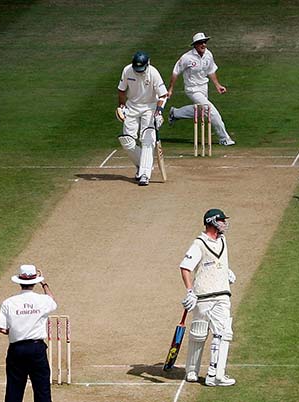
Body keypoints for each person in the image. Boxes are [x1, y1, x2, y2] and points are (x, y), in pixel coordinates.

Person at [179, 208, 237, 386]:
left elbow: (217, 261)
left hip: (222, 294)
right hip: (203, 296)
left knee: (223, 333)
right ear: (211, 221)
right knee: (198, 333)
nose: (224, 223)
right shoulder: (199, 244)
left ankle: (216, 374)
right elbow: (185, 267)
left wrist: (225, 271)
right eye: (221, 220)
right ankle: (192, 371)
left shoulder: (223, 240)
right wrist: (190, 291)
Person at [0, 264, 57, 402]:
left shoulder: (8, 302)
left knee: (14, 389)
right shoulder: (42, 300)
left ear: (19, 281)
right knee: (42, 389)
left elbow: (2, 329)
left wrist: (18, 330)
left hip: (17, 349)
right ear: (35, 281)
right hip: (36, 349)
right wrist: (44, 283)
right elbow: (52, 301)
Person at [167, 32, 235, 146]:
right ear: (195, 45)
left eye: (205, 42)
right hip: (192, 89)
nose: (203, 45)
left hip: (204, 87)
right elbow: (175, 72)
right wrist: (170, 89)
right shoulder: (186, 58)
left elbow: (211, 70)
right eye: (200, 43)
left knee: (203, 112)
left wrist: (218, 85)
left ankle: (175, 113)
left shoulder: (208, 54)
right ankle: (224, 138)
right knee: (211, 111)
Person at [117, 51, 167, 186]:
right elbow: (121, 90)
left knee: (147, 140)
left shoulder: (153, 73)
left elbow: (163, 95)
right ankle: (143, 163)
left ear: (147, 64)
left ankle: (144, 174)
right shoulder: (127, 70)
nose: (139, 72)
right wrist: (121, 107)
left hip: (149, 108)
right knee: (127, 140)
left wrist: (159, 112)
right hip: (132, 106)